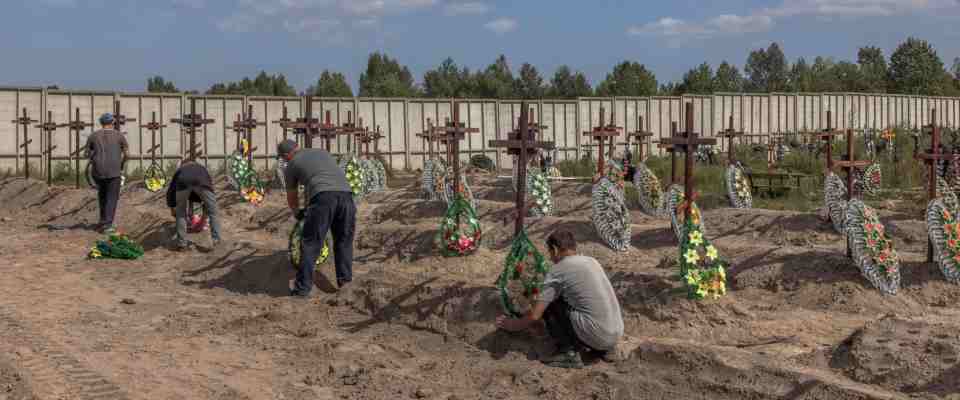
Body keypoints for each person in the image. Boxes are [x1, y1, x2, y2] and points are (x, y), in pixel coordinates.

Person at [495, 230, 624, 369]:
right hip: (615, 334)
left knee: (550, 303)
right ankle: (607, 350)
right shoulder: (592, 261)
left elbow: (535, 315)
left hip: (597, 335)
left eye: (550, 253)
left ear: (555, 250)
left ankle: (568, 353)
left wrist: (513, 324)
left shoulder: (558, 270)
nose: (551, 258)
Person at [279, 139, 356, 297]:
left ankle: (302, 290)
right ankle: (346, 283)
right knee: (344, 241)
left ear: (287, 155)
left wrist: (297, 212)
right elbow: (324, 174)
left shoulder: (292, 165)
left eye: (283, 158)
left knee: (311, 243)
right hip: (347, 195)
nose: (284, 160)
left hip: (323, 198)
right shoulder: (322, 152)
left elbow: (292, 196)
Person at [85, 113, 128, 234]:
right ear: (112, 123)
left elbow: (86, 154)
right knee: (112, 197)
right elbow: (127, 154)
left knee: (102, 195)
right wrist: (121, 165)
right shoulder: (119, 136)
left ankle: (102, 221)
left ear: (101, 123)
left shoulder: (93, 136)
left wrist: (94, 158)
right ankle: (108, 225)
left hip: (98, 171)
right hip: (114, 171)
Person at [165, 160, 221, 250]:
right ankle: (216, 240)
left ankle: (182, 244)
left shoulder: (181, 170)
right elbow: (209, 188)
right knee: (213, 212)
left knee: (181, 213)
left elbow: (170, 191)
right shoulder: (202, 168)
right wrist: (204, 216)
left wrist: (172, 207)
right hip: (202, 182)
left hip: (182, 182)